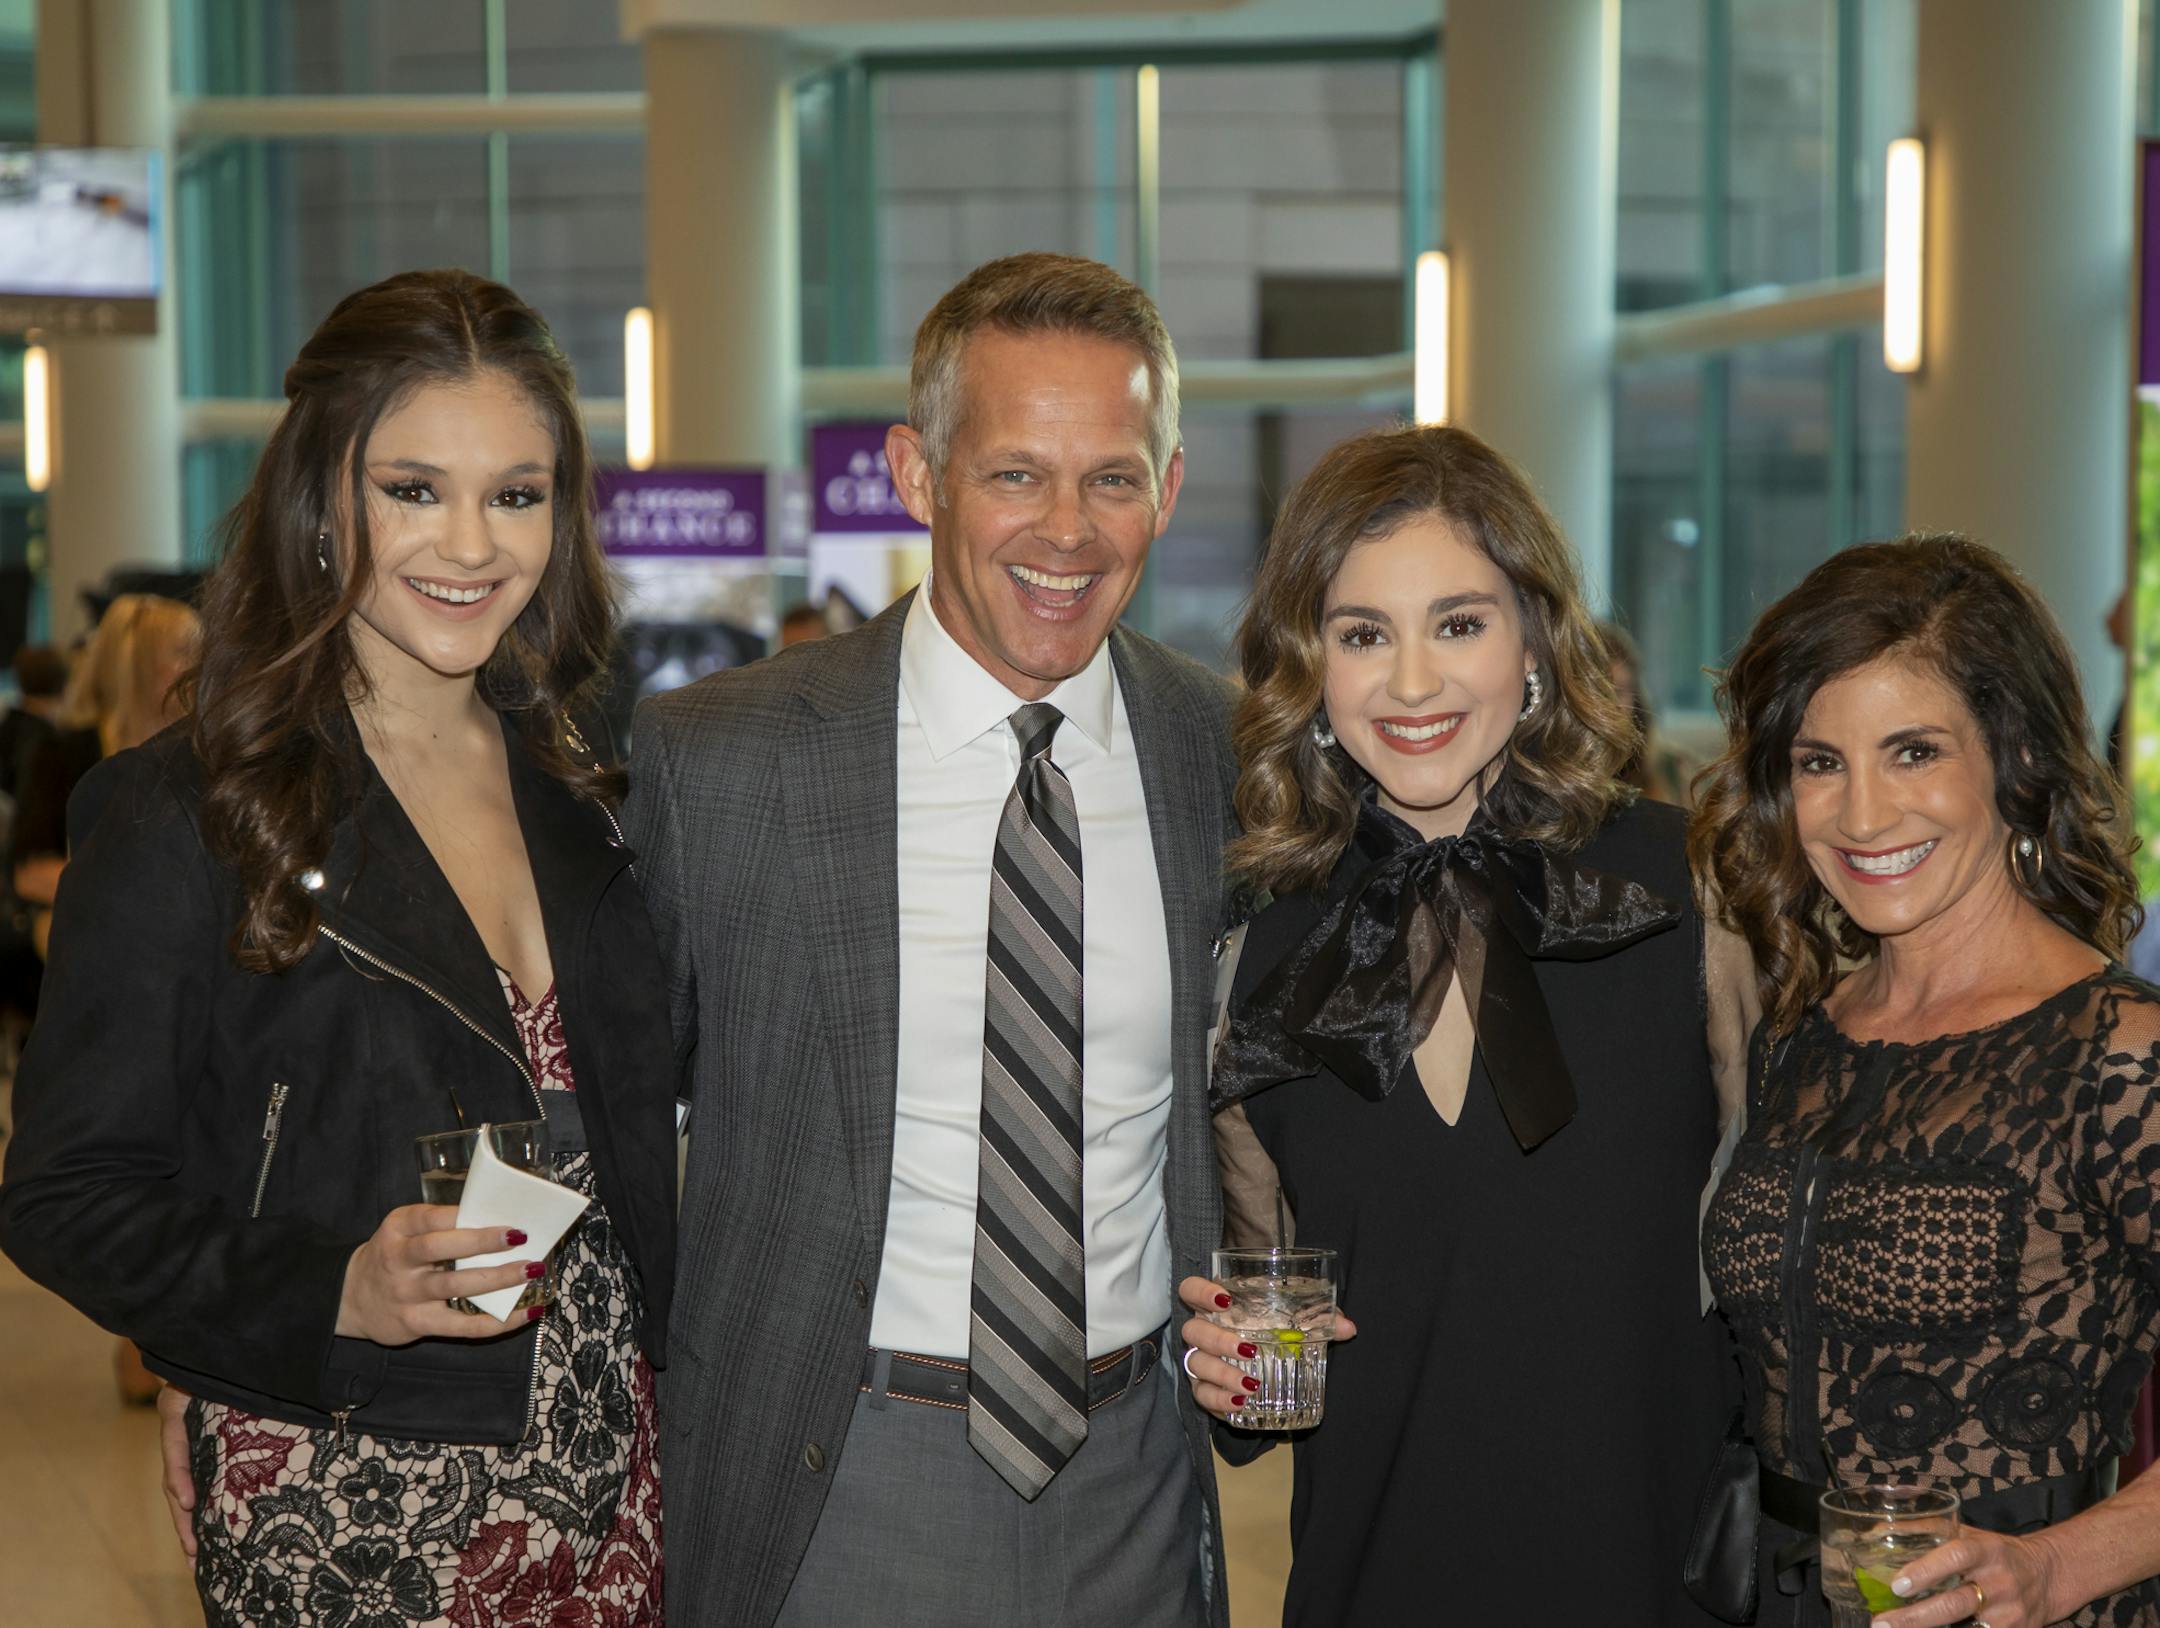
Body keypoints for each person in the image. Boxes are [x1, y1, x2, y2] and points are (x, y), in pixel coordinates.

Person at [0, 268, 677, 1625]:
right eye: (413, 489)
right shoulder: (191, 807)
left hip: (624, 1489)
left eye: (518, 493)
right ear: (324, 497)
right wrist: (335, 1289)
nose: (471, 545)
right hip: (349, 1496)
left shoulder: (598, 788)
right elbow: (64, 1193)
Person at [629, 252, 1238, 1626]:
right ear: (919, 474)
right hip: (836, 1469)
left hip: (1137, 1475)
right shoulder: (720, 762)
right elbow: (604, 1132)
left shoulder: (1227, 752)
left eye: (1115, 477)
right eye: (1017, 473)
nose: (1068, 531)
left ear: (1171, 485)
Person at [1179, 422, 1756, 1625]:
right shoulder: (1261, 951)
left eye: (1459, 622)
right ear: (1310, 665)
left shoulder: (1692, 891)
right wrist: (1230, 1377)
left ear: (1536, 639)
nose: (1412, 683)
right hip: (1368, 1581)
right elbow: (1259, 1338)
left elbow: (1789, 1273)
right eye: (1361, 633)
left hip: (1650, 1582)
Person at [1693, 534, 2160, 1627]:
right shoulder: (1801, 1037)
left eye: (1913, 752)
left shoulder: (2117, 1053)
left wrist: (2060, 1563)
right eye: (1820, 762)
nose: (1861, 816)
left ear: (2014, 757)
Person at [12, 594, 200, 919]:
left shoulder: (202, 752)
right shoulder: (66, 753)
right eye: (182, 652)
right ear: (140, 665)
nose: (199, 664)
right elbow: (31, 870)